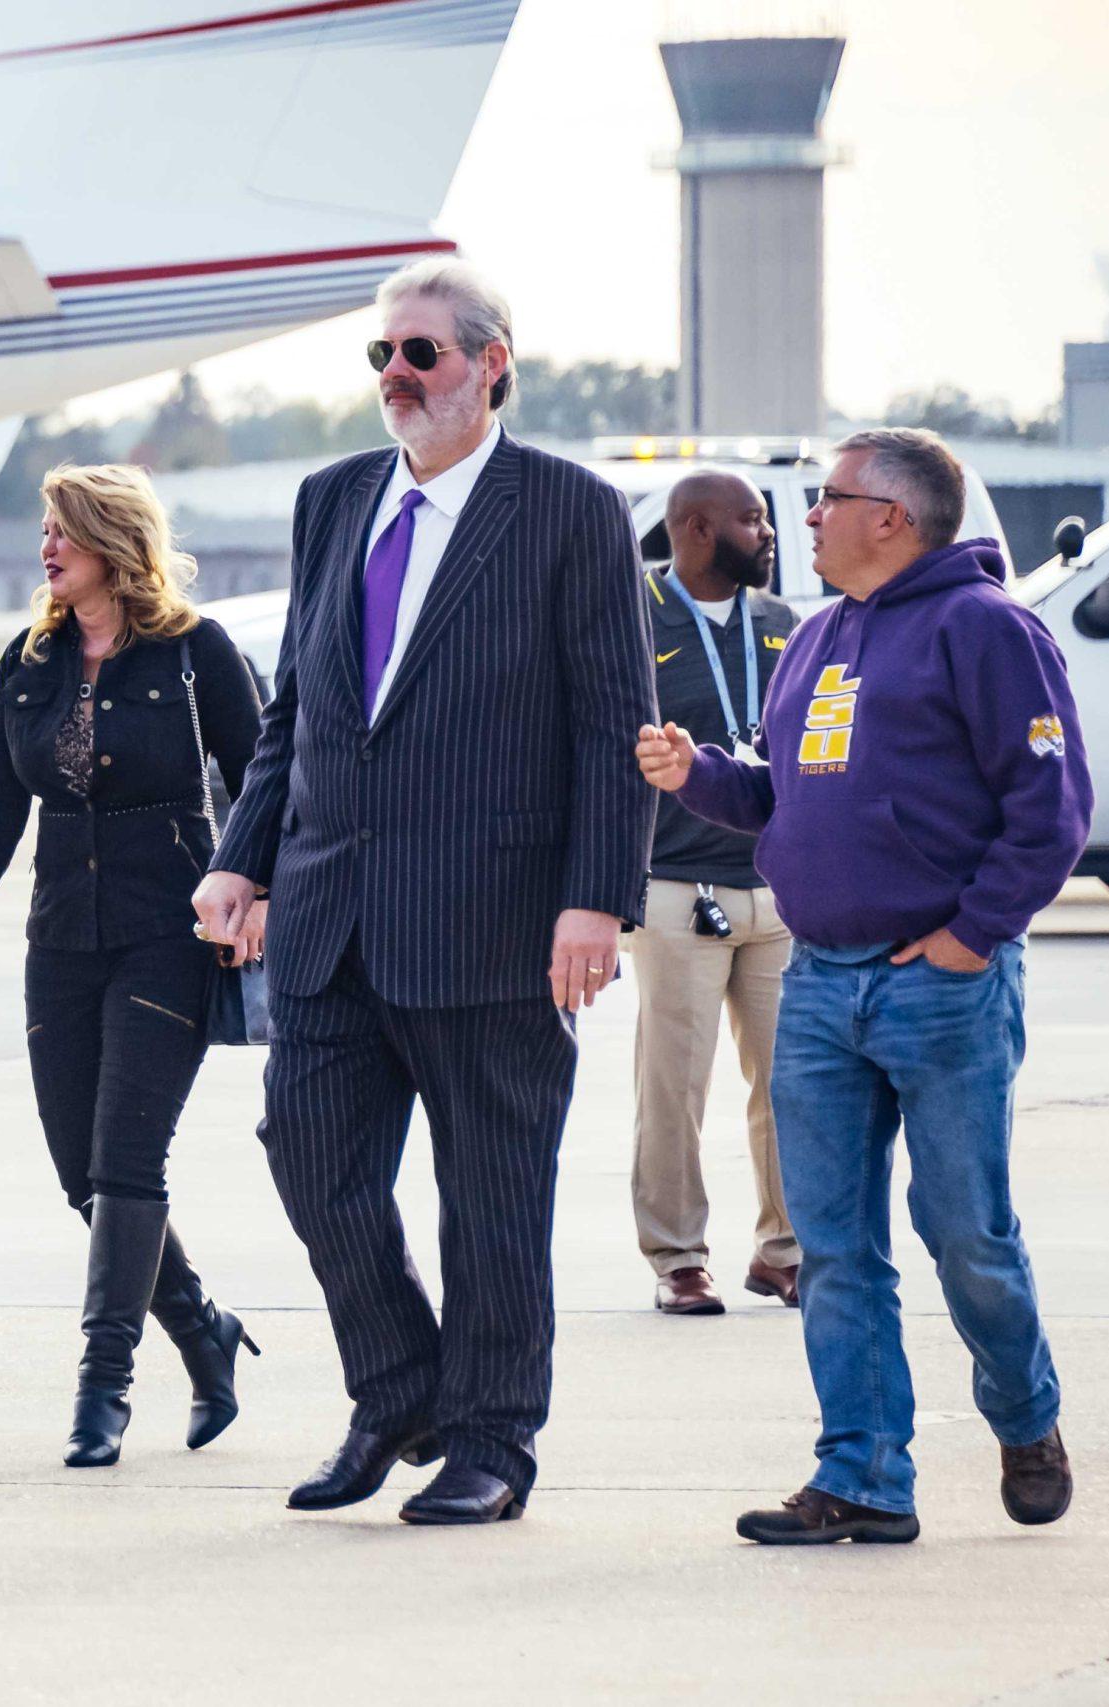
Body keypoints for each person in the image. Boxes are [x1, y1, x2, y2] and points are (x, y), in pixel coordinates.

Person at [191, 259, 655, 1525]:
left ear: (489, 363)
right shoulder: (333, 499)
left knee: (491, 1199)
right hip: (331, 911)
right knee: (311, 1160)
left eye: (421, 355)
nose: (395, 377)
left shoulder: (569, 511)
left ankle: (493, 1438)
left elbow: (617, 722)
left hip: (497, 920)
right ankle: (398, 1387)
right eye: (381, 357)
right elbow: (300, 708)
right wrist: (242, 853)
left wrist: (597, 900)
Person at [637, 427, 1092, 1545]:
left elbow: (1052, 808)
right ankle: (864, 1478)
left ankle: (1025, 1415)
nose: (805, 518)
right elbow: (784, 798)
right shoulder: (821, 638)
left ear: (890, 514)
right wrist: (698, 776)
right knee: (831, 1244)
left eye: (825, 499)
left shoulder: (986, 630)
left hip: (938, 987)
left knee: (962, 1230)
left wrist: (970, 938)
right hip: (820, 984)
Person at [0, 464, 264, 1469]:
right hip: (59, 936)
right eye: (43, 530)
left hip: (170, 932)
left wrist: (260, 891)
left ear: (113, 540)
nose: (45, 548)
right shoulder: (28, 659)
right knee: (81, 1172)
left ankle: (101, 1387)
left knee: (126, 1163)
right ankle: (204, 1329)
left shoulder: (196, 651)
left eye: (61, 530)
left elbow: (259, 785)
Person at [629, 472, 803, 1315]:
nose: (770, 532)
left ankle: (785, 1249)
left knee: (792, 1083)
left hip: (780, 894)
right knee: (674, 1086)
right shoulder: (635, 616)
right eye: (753, 518)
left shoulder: (785, 624)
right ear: (697, 529)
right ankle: (677, 1256)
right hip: (676, 889)